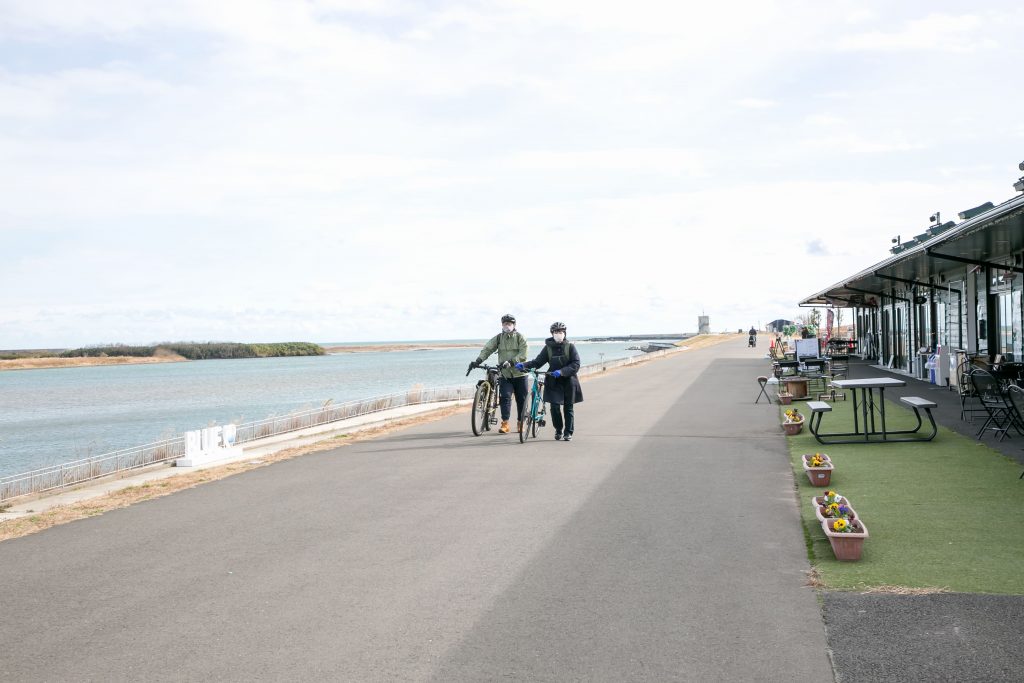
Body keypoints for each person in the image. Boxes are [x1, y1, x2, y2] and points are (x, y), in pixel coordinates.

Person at [516, 321, 583, 441]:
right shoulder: (548, 348)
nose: (559, 334)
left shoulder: (570, 347)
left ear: (565, 333)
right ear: (552, 334)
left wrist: (562, 371)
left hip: (569, 381)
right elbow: (537, 362)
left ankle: (568, 432)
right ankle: (558, 429)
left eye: (561, 331)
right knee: (554, 407)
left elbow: (576, 364)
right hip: (553, 381)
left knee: (568, 408)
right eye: (556, 332)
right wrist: (524, 365)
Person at [467, 313, 529, 434]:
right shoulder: (499, 338)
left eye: (509, 324)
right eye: (505, 324)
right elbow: (488, 349)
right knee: (505, 397)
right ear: (502, 325)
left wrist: (511, 362)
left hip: (520, 375)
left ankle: (520, 423)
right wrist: (478, 360)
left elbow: (523, 354)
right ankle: (505, 424)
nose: (507, 326)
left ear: (514, 325)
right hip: (505, 374)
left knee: (521, 400)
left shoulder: (520, 337)